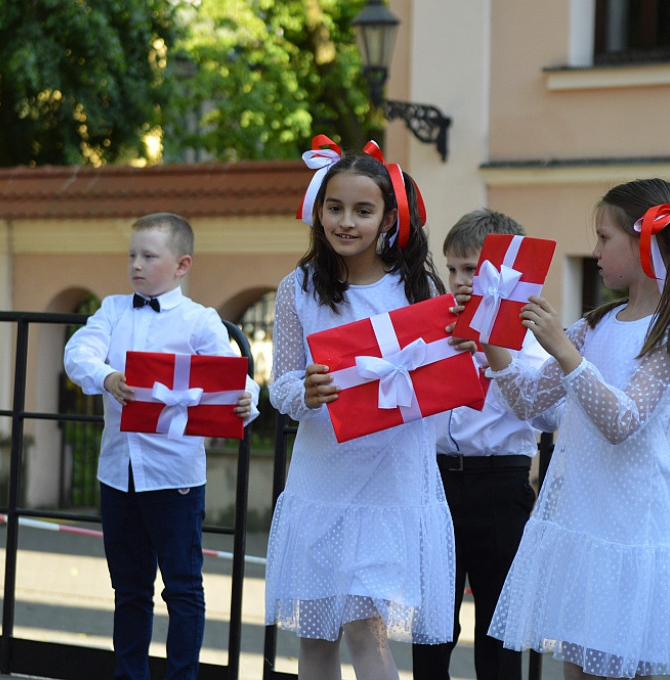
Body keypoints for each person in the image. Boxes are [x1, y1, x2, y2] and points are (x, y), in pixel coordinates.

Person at [477, 178, 670, 679]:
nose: (595, 250)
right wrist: (486, 336)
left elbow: (622, 422)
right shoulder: (595, 325)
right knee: (578, 670)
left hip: (629, 531)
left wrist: (563, 350)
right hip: (582, 523)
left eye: (605, 238)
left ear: (643, 242)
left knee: (624, 667)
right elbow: (528, 401)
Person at [265, 137, 453, 680]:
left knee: (365, 632)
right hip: (323, 476)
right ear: (318, 210)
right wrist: (306, 392)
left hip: (390, 476)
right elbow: (281, 385)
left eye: (363, 210)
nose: (346, 222)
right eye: (335, 207)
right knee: (316, 638)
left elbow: (441, 379)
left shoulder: (418, 288)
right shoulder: (296, 288)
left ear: (388, 218)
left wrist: (460, 352)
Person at [64, 212, 259, 680]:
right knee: (129, 589)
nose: (135, 264)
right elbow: (77, 352)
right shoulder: (111, 310)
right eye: (132, 254)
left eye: (149, 256)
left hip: (175, 476)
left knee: (183, 588)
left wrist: (246, 397)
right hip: (118, 471)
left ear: (181, 265)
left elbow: (235, 378)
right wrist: (107, 376)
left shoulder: (200, 321)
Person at [412, 208, 556, 680]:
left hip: (500, 484)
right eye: (451, 268)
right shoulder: (435, 325)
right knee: (432, 623)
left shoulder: (532, 338)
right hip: (435, 482)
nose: (458, 280)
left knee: (497, 627)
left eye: (471, 269)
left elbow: (543, 412)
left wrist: (494, 353)